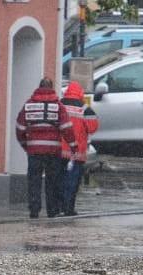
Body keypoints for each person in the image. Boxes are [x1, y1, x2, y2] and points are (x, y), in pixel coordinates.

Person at [15, 77, 72, 219]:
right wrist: (74, 146)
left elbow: (20, 127)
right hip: (53, 151)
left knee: (34, 180)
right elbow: (66, 128)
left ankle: (34, 209)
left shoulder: (28, 105)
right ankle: (51, 210)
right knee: (52, 181)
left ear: (39, 87)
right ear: (52, 88)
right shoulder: (58, 106)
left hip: (34, 150)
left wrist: (25, 144)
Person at [59, 81, 98, 217]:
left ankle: (58, 207)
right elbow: (93, 127)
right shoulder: (84, 108)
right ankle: (69, 208)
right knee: (73, 181)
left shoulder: (60, 105)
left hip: (59, 151)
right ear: (80, 93)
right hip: (77, 153)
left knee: (59, 180)